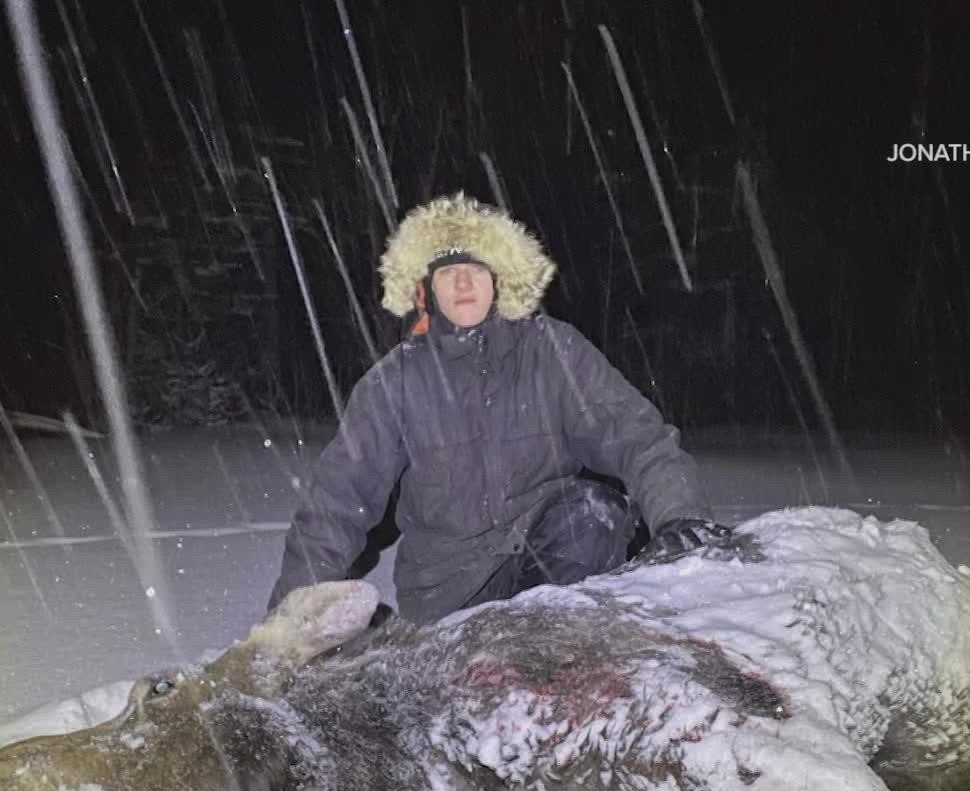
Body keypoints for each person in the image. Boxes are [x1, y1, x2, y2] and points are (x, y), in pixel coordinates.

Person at [269, 193, 728, 622]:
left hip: (551, 567)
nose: (463, 282)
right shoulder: (394, 383)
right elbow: (336, 503)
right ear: (426, 291)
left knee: (594, 513)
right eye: (448, 272)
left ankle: (561, 654)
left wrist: (679, 513)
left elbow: (637, 438)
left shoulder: (552, 350)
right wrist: (289, 618)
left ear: (499, 280)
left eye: (476, 268)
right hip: (447, 597)